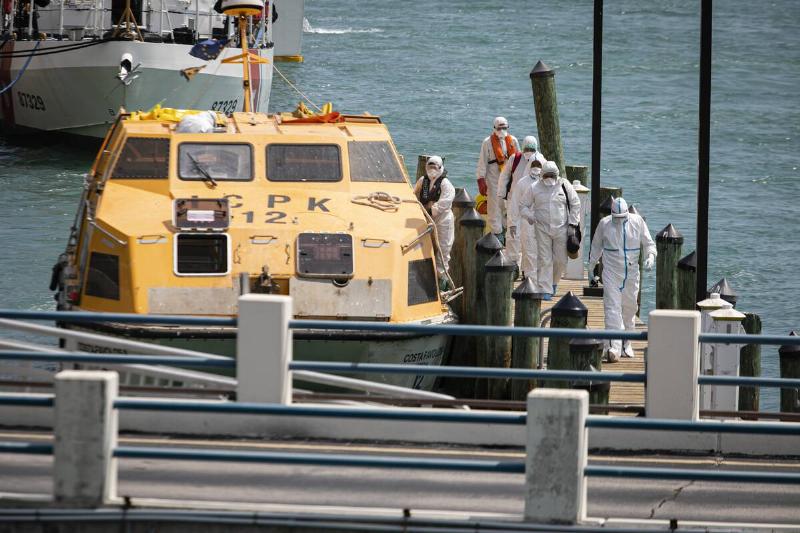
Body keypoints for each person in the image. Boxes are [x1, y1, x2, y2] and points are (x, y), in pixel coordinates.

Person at [588, 197, 656, 362]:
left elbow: (648, 243)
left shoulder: (637, 221)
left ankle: (627, 342)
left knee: (630, 307)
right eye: (616, 218)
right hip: (611, 272)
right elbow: (596, 246)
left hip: (632, 273)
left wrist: (651, 256)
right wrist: (591, 268)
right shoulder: (604, 224)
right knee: (612, 309)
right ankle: (613, 348)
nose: (619, 221)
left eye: (622, 218)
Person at [519, 161, 580, 299]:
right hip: (542, 228)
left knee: (561, 260)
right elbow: (523, 205)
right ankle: (545, 289)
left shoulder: (564, 185)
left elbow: (576, 203)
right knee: (544, 259)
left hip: (562, 228)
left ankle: (553, 282)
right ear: (542, 175)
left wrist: (572, 224)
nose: (549, 178)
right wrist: (531, 216)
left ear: (557, 175)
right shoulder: (534, 187)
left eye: (552, 175)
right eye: (546, 175)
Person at [497, 135, 547, 270]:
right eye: (527, 148)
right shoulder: (515, 159)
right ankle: (512, 265)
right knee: (513, 235)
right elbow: (504, 176)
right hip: (514, 200)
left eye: (531, 149)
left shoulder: (541, 161)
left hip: (531, 207)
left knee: (530, 239)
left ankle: (528, 269)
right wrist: (501, 193)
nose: (528, 151)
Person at [476, 117, 519, 240]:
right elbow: (482, 163)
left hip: (509, 181)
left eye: (504, 127)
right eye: (500, 128)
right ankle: (497, 237)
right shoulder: (487, 142)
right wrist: (481, 180)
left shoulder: (513, 141)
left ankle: (508, 236)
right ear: (494, 128)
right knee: (494, 210)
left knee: (508, 208)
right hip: (493, 180)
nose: (502, 130)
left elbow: (519, 160)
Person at [415, 155, 455, 285]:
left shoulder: (445, 184)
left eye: (435, 167)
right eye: (430, 166)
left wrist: (431, 210)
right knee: (423, 247)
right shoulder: (422, 181)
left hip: (443, 221)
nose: (432, 169)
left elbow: (446, 202)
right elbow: (414, 195)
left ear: (440, 168)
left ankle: (442, 280)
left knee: (443, 250)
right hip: (426, 219)